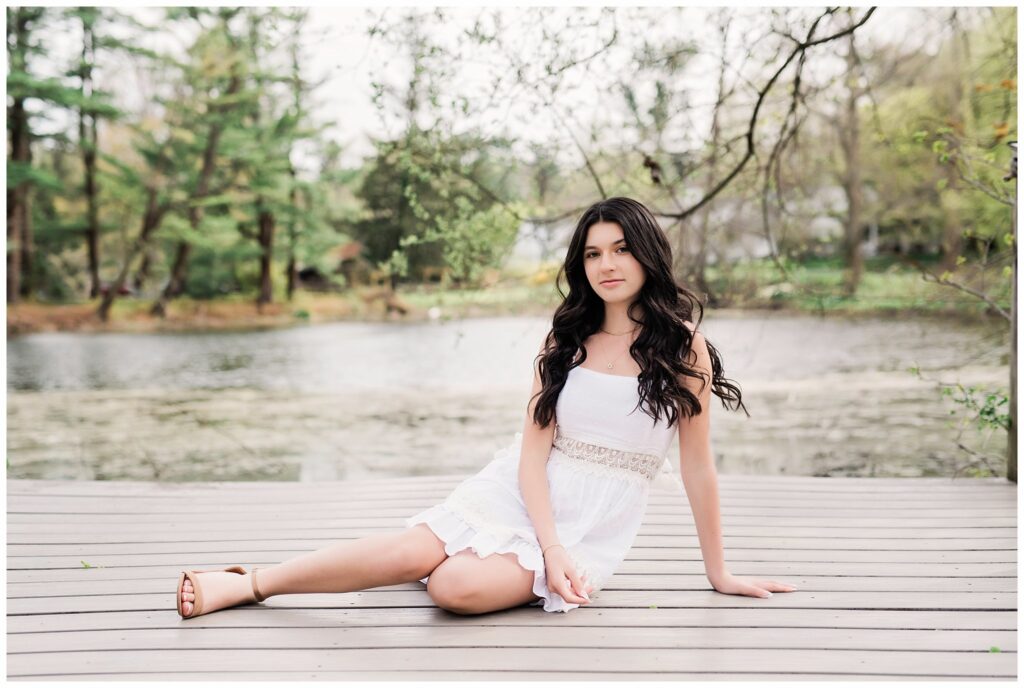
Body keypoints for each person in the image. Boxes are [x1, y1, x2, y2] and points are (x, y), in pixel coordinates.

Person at [176, 196, 797, 619]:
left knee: (454, 586)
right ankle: (251, 582)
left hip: (594, 521)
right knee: (411, 552)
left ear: (647, 254)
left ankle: (469, 558)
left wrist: (719, 573)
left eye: (620, 250)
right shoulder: (567, 339)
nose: (606, 265)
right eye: (592, 253)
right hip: (523, 492)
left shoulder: (682, 346)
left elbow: (697, 468)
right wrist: (547, 546)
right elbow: (532, 453)